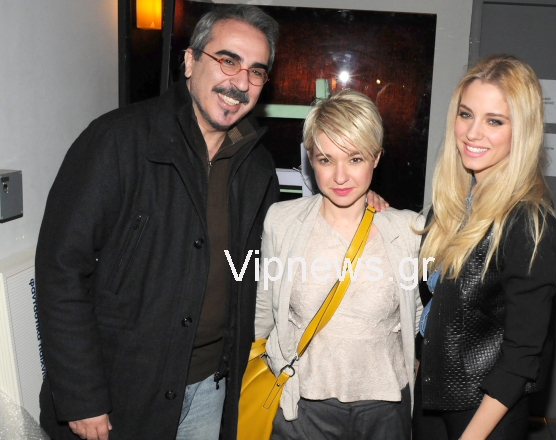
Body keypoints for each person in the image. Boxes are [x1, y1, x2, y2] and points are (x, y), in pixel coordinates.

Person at [35, 6, 280, 440]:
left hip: (211, 389)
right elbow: (61, 269)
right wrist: (81, 394)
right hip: (117, 392)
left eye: (256, 71)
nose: (241, 83)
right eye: (228, 60)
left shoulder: (257, 169)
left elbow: (257, 269)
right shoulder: (117, 140)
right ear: (190, 61)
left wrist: (361, 204)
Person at [254, 90, 423, 440]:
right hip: (302, 407)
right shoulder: (282, 222)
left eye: (355, 158)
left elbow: (420, 316)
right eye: (326, 159)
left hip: (384, 407)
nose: (340, 176)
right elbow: (263, 311)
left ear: (376, 158)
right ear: (310, 159)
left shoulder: (408, 230)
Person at [413, 55, 556, 440]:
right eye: (466, 115)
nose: (473, 133)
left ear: (522, 131)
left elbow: (522, 355)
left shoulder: (528, 224)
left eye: (494, 121)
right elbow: (436, 304)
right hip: (433, 398)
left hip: (485, 413)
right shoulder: (449, 207)